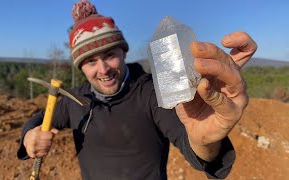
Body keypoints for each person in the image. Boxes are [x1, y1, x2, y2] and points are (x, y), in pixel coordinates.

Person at [17, 0, 257, 179]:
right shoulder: (77, 99)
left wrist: (205, 141)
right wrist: (29, 135)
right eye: (91, 62)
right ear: (81, 67)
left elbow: (192, 143)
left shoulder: (151, 93)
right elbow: (38, 119)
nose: (103, 69)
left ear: (123, 51)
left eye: (110, 55)